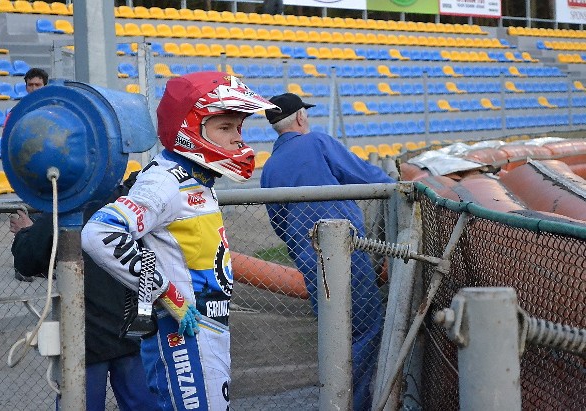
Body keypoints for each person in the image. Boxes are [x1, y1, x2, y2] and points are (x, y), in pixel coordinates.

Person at [81, 72, 278, 409]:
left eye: (239, 128)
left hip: (208, 327)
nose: (237, 140)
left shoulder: (197, 179)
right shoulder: (164, 182)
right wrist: (164, 292)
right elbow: (100, 233)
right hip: (182, 333)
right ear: (191, 127)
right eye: (225, 127)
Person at [260, 93, 395, 411]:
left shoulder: (271, 166)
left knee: (333, 334)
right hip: (347, 252)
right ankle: (354, 404)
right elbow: (366, 176)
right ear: (300, 118)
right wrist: (400, 187)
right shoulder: (317, 143)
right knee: (365, 327)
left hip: (308, 259)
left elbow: (279, 224)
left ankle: (335, 399)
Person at [9, 171, 161, 411]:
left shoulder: (72, 207)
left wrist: (26, 233)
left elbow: (27, 259)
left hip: (85, 337)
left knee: (80, 404)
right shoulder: (138, 203)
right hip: (136, 328)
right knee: (144, 403)